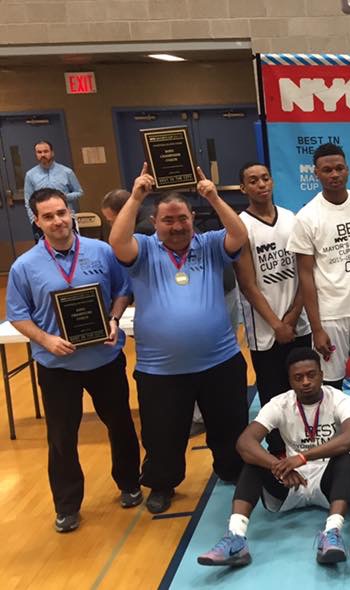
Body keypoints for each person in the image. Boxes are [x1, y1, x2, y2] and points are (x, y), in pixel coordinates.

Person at [109, 163, 250, 514]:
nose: (176, 226)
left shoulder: (210, 243)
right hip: (161, 368)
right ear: (155, 223)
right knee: (162, 434)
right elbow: (117, 241)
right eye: (168, 220)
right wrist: (138, 195)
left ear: (193, 219)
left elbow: (240, 234)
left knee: (229, 424)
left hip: (219, 360)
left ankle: (233, 471)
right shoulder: (143, 250)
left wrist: (214, 197)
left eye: (182, 218)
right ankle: (161, 483)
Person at [6, 188, 140, 532]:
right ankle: (66, 506)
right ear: (37, 221)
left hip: (104, 357)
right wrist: (46, 339)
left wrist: (113, 318)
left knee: (121, 425)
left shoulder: (101, 251)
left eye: (62, 213)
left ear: (72, 213)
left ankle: (129, 484)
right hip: (57, 366)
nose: (58, 221)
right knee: (62, 438)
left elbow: (123, 290)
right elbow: (19, 315)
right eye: (48, 216)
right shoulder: (24, 267)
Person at [197, 348, 350, 567]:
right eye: (298, 377)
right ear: (290, 380)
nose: (306, 382)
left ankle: (332, 534)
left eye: (311, 375)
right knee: (252, 461)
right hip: (290, 483)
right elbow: (244, 442)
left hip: (327, 483)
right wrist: (277, 465)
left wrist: (302, 457)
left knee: (344, 458)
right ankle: (235, 538)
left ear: (322, 374)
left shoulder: (340, 400)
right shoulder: (279, 403)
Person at [288, 144, 350, 419]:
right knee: (332, 382)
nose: (334, 174)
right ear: (316, 173)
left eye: (339, 168)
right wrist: (316, 327)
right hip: (330, 314)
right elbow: (305, 274)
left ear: (348, 170)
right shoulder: (307, 216)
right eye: (327, 170)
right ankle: (339, 435)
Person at [234, 162, 312, 454]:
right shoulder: (241, 225)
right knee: (273, 393)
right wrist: (276, 324)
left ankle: (308, 441)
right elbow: (248, 283)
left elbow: (306, 273)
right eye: (253, 180)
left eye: (265, 178)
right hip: (265, 331)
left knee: (303, 387)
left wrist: (291, 318)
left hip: (298, 323)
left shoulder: (291, 219)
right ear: (244, 188)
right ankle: (279, 449)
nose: (261, 184)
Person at [24, 140, 83, 242]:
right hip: (43, 221)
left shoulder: (66, 172)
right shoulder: (30, 175)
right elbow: (28, 200)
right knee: (45, 252)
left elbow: (79, 192)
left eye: (46, 151)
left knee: (72, 246)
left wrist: (63, 197)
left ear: (52, 152)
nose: (43, 154)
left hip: (66, 218)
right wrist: (33, 221)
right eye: (39, 152)